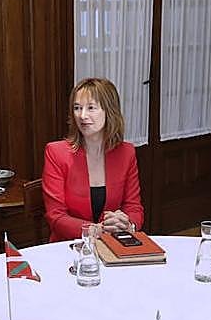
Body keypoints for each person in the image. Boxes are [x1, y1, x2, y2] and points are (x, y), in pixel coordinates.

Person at [42, 77, 144, 242]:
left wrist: (128, 224)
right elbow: (56, 216)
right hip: (71, 247)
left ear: (109, 111)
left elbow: (134, 207)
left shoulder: (126, 153)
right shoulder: (56, 152)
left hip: (114, 244)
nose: (82, 116)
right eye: (77, 108)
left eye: (91, 108)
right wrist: (95, 230)